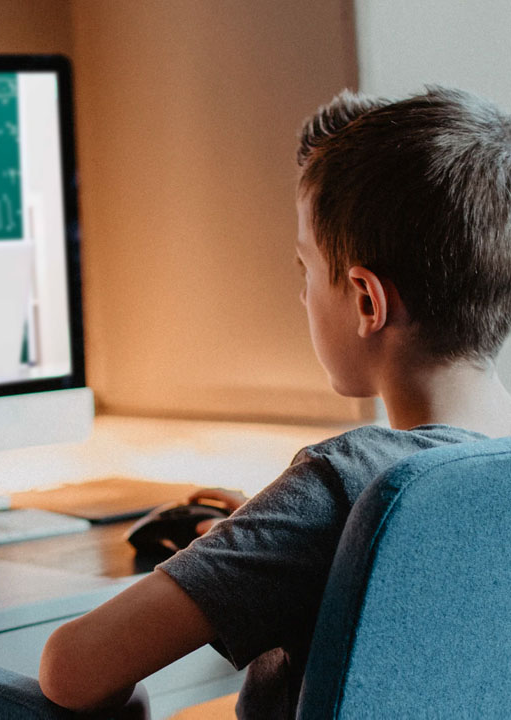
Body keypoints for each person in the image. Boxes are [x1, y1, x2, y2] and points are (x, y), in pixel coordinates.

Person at [38, 86, 511, 718]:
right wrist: (255, 541)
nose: (302, 295)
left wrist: (291, 522)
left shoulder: (342, 483)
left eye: (305, 269)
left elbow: (72, 669)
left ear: (367, 301)